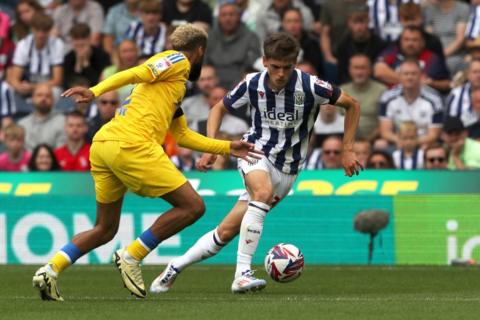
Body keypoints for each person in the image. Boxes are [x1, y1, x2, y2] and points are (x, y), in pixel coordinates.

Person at [32, 24, 262, 301]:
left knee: (105, 228)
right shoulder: (177, 60)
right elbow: (136, 71)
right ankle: (132, 255)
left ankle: (50, 270)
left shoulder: (170, 86)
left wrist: (227, 147)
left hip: (105, 144)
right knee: (193, 206)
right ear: (200, 51)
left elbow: (182, 135)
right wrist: (95, 91)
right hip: (132, 144)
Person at [150, 32, 362, 294]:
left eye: (287, 67)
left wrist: (348, 149)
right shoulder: (252, 83)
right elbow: (218, 108)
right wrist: (211, 147)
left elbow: (352, 105)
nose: (281, 73)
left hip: (289, 170)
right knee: (262, 193)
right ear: (264, 61)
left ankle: (174, 267)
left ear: (295, 64)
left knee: (226, 232)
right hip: (255, 152)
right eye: (275, 67)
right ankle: (242, 274)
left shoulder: (311, 86)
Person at [379, 59, 443, 147]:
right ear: (399, 76)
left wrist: (411, 142)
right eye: (406, 74)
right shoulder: (387, 98)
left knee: (429, 146)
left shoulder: (434, 100)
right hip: (398, 141)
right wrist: (401, 141)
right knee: (380, 144)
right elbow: (385, 132)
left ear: (421, 76)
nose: (410, 77)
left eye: (413, 74)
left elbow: (433, 135)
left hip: (423, 142)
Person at [374, 26, 451, 92]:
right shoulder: (392, 52)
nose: (410, 44)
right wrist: (412, 82)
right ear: (400, 41)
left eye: (415, 40)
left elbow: (447, 84)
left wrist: (433, 83)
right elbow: (379, 71)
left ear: (423, 42)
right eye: (406, 39)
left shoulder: (432, 58)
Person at [204, 1, 261, 90]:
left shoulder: (251, 37)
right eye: (224, 15)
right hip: (212, 82)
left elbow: (251, 66)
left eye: (231, 14)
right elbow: (204, 62)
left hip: (239, 83)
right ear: (218, 18)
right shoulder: (209, 36)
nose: (228, 18)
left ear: (239, 17)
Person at [7, 13, 64, 99]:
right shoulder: (23, 44)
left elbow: (57, 80)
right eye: (37, 30)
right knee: (7, 89)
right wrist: (19, 86)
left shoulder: (57, 44)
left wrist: (34, 87)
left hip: (48, 86)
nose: (40, 35)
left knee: (54, 92)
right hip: (27, 85)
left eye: (44, 31)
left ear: (49, 30)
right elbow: (14, 76)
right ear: (32, 29)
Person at [340, 54, 386, 140]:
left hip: (374, 140)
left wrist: (368, 141)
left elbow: (385, 121)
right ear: (350, 70)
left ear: (370, 70)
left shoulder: (381, 90)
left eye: (363, 68)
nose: (359, 72)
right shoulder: (342, 91)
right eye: (356, 68)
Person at [18, 83, 66, 151]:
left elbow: (61, 152)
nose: (43, 99)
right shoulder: (22, 125)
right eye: (39, 95)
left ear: (53, 100)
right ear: (32, 99)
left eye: (48, 96)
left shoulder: (63, 122)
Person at [63, 23, 111, 88]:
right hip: (73, 95)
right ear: (72, 40)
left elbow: (99, 84)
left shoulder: (102, 55)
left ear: (90, 38)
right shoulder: (68, 58)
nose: (80, 42)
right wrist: (78, 64)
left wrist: (86, 63)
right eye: (76, 39)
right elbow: (66, 85)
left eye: (83, 38)